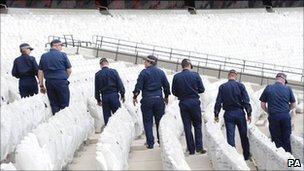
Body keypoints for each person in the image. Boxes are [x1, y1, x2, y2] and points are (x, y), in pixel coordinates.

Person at [133, 55, 170, 149]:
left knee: (148, 121)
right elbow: (166, 86)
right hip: (158, 100)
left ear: (150, 62)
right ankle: (161, 141)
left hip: (147, 100)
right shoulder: (161, 72)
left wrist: (135, 96)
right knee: (159, 122)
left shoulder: (144, 73)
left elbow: (138, 86)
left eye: (145, 61)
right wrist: (166, 97)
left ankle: (150, 143)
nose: (144, 63)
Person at [214, 69, 252, 161]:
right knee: (243, 135)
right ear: (236, 76)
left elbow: (218, 102)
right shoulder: (240, 86)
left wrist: (216, 114)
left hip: (228, 114)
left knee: (230, 136)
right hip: (239, 113)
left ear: (228, 76)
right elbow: (246, 101)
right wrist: (249, 113)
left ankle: (233, 157)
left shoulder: (222, 87)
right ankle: (246, 156)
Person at [172, 59, 206, 155]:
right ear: (190, 65)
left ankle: (191, 150)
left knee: (187, 126)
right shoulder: (195, 75)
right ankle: (199, 147)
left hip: (183, 102)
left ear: (182, 66)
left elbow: (174, 91)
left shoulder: (177, 77)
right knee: (197, 125)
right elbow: (202, 89)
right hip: (194, 102)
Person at [259, 73, 296, 153]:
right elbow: (293, 105)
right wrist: (286, 110)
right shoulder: (288, 89)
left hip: (273, 116)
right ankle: (289, 161)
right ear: (283, 80)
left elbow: (262, 105)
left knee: (276, 139)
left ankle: (280, 158)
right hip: (285, 116)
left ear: (276, 79)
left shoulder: (268, 88)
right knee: (286, 139)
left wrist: (269, 112)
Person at [38, 39, 72, 115]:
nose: (61, 48)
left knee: (54, 103)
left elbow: (40, 72)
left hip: (49, 82)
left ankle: (56, 120)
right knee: (64, 104)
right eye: (60, 46)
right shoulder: (63, 55)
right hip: (61, 82)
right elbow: (69, 70)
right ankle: (63, 121)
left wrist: (41, 85)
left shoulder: (44, 56)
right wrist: (64, 78)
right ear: (55, 46)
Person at [95, 58, 125, 125]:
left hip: (104, 97)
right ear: (107, 64)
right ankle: (118, 130)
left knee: (107, 116)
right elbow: (120, 84)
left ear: (100, 65)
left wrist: (98, 100)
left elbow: (96, 89)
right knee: (117, 115)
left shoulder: (98, 74)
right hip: (114, 95)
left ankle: (109, 133)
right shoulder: (114, 72)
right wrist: (122, 94)